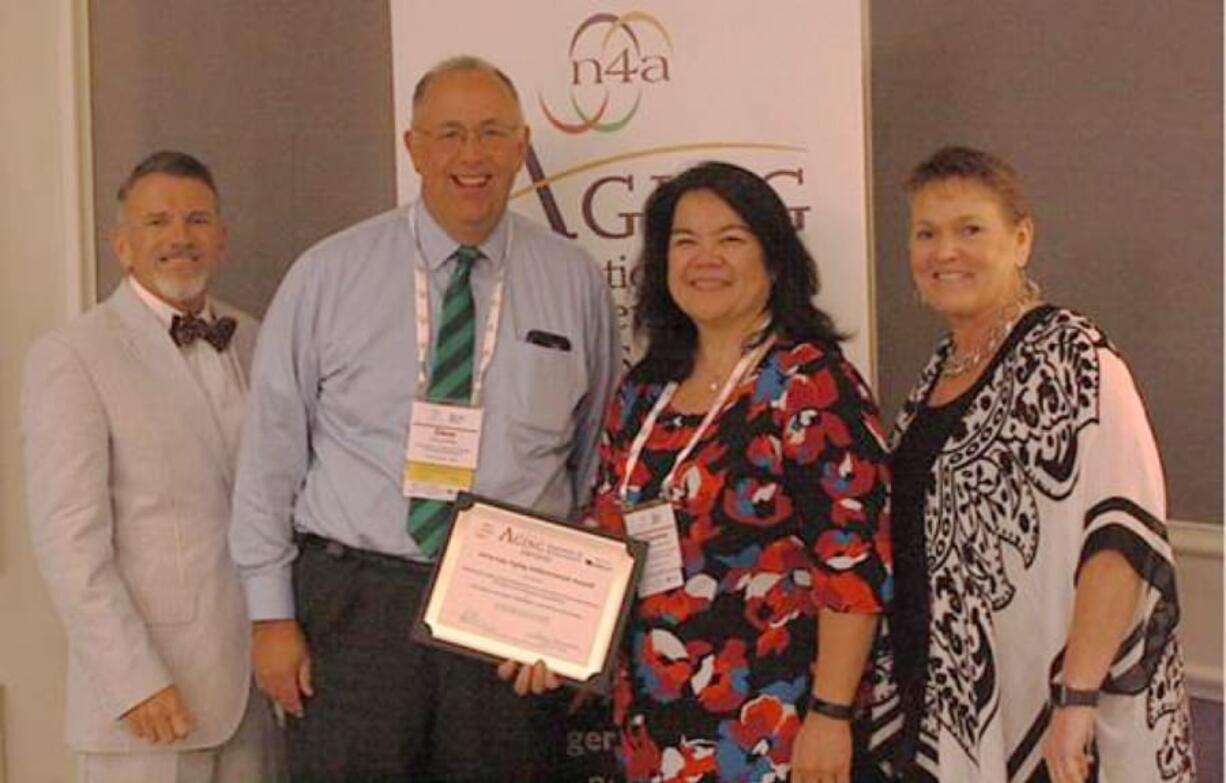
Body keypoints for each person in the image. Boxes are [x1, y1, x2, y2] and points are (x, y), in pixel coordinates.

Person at [228, 55, 621, 781]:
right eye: (448, 134)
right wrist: (270, 615)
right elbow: (270, 455)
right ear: (412, 146)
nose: (470, 156)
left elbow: (594, 459)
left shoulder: (574, 280)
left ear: (520, 144)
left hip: (507, 613)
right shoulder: (329, 274)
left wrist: (568, 625)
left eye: (491, 133)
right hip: (355, 607)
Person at [868, 146, 1195, 782]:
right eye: (926, 233)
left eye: (970, 229)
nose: (944, 252)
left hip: (1052, 713)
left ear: (1021, 240)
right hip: (939, 700)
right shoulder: (939, 369)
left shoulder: (1072, 356)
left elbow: (1120, 538)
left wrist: (1076, 701)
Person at [571, 161, 893, 783]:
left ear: (774, 260)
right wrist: (553, 639)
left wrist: (830, 713)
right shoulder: (643, 394)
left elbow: (853, 564)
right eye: (684, 241)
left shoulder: (809, 383)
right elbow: (606, 539)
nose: (704, 258)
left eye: (731, 239)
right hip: (654, 720)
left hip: (778, 724)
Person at [21, 151, 278, 782]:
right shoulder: (73, 356)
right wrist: (132, 679)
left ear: (220, 238)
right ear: (123, 246)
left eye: (196, 220)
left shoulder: (257, 336)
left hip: (257, 692)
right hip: (147, 705)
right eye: (157, 222)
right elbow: (69, 543)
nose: (179, 238)